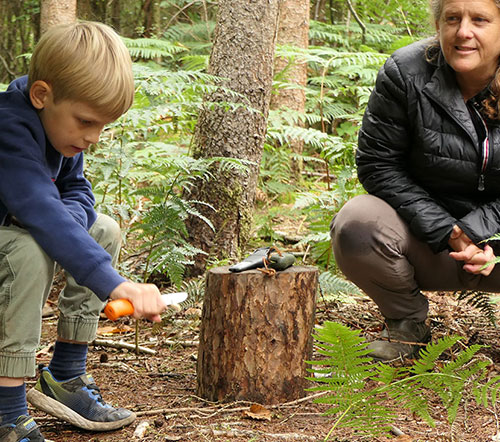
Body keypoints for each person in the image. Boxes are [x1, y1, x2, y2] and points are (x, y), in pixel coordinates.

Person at [0, 21, 167, 442]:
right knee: (28, 254)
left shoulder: (61, 131)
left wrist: (73, 223)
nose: (93, 138)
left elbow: (75, 192)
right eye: (87, 122)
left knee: (104, 229)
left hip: (17, 230)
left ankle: (66, 375)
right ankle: (7, 411)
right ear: (42, 95)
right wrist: (114, 284)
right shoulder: (8, 127)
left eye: (103, 127)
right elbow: (38, 206)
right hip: (9, 243)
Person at [330, 0, 500, 361]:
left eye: (480, 20)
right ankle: (407, 324)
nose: (463, 32)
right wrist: (451, 232)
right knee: (357, 223)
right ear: (438, 24)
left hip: (495, 249)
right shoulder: (406, 72)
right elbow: (378, 164)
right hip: (430, 243)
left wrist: (477, 228)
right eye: (452, 19)